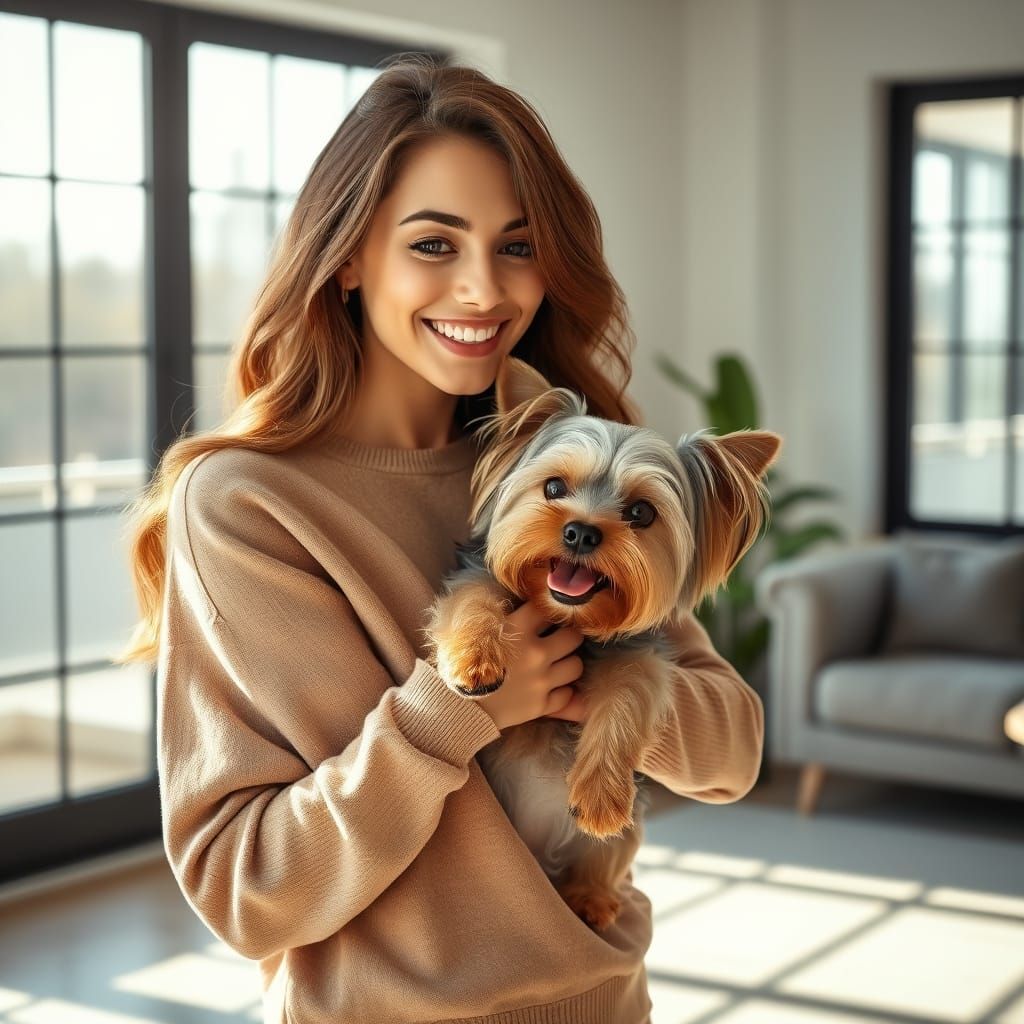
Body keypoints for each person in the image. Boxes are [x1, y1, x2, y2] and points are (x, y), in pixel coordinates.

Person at [118, 54, 764, 1024]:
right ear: (347, 256)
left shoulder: (560, 469)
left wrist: (597, 687)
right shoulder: (248, 504)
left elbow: (732, 749)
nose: (481, 291)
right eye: (432, 244)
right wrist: (457, 711)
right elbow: (248, 892)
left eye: (516, 246)